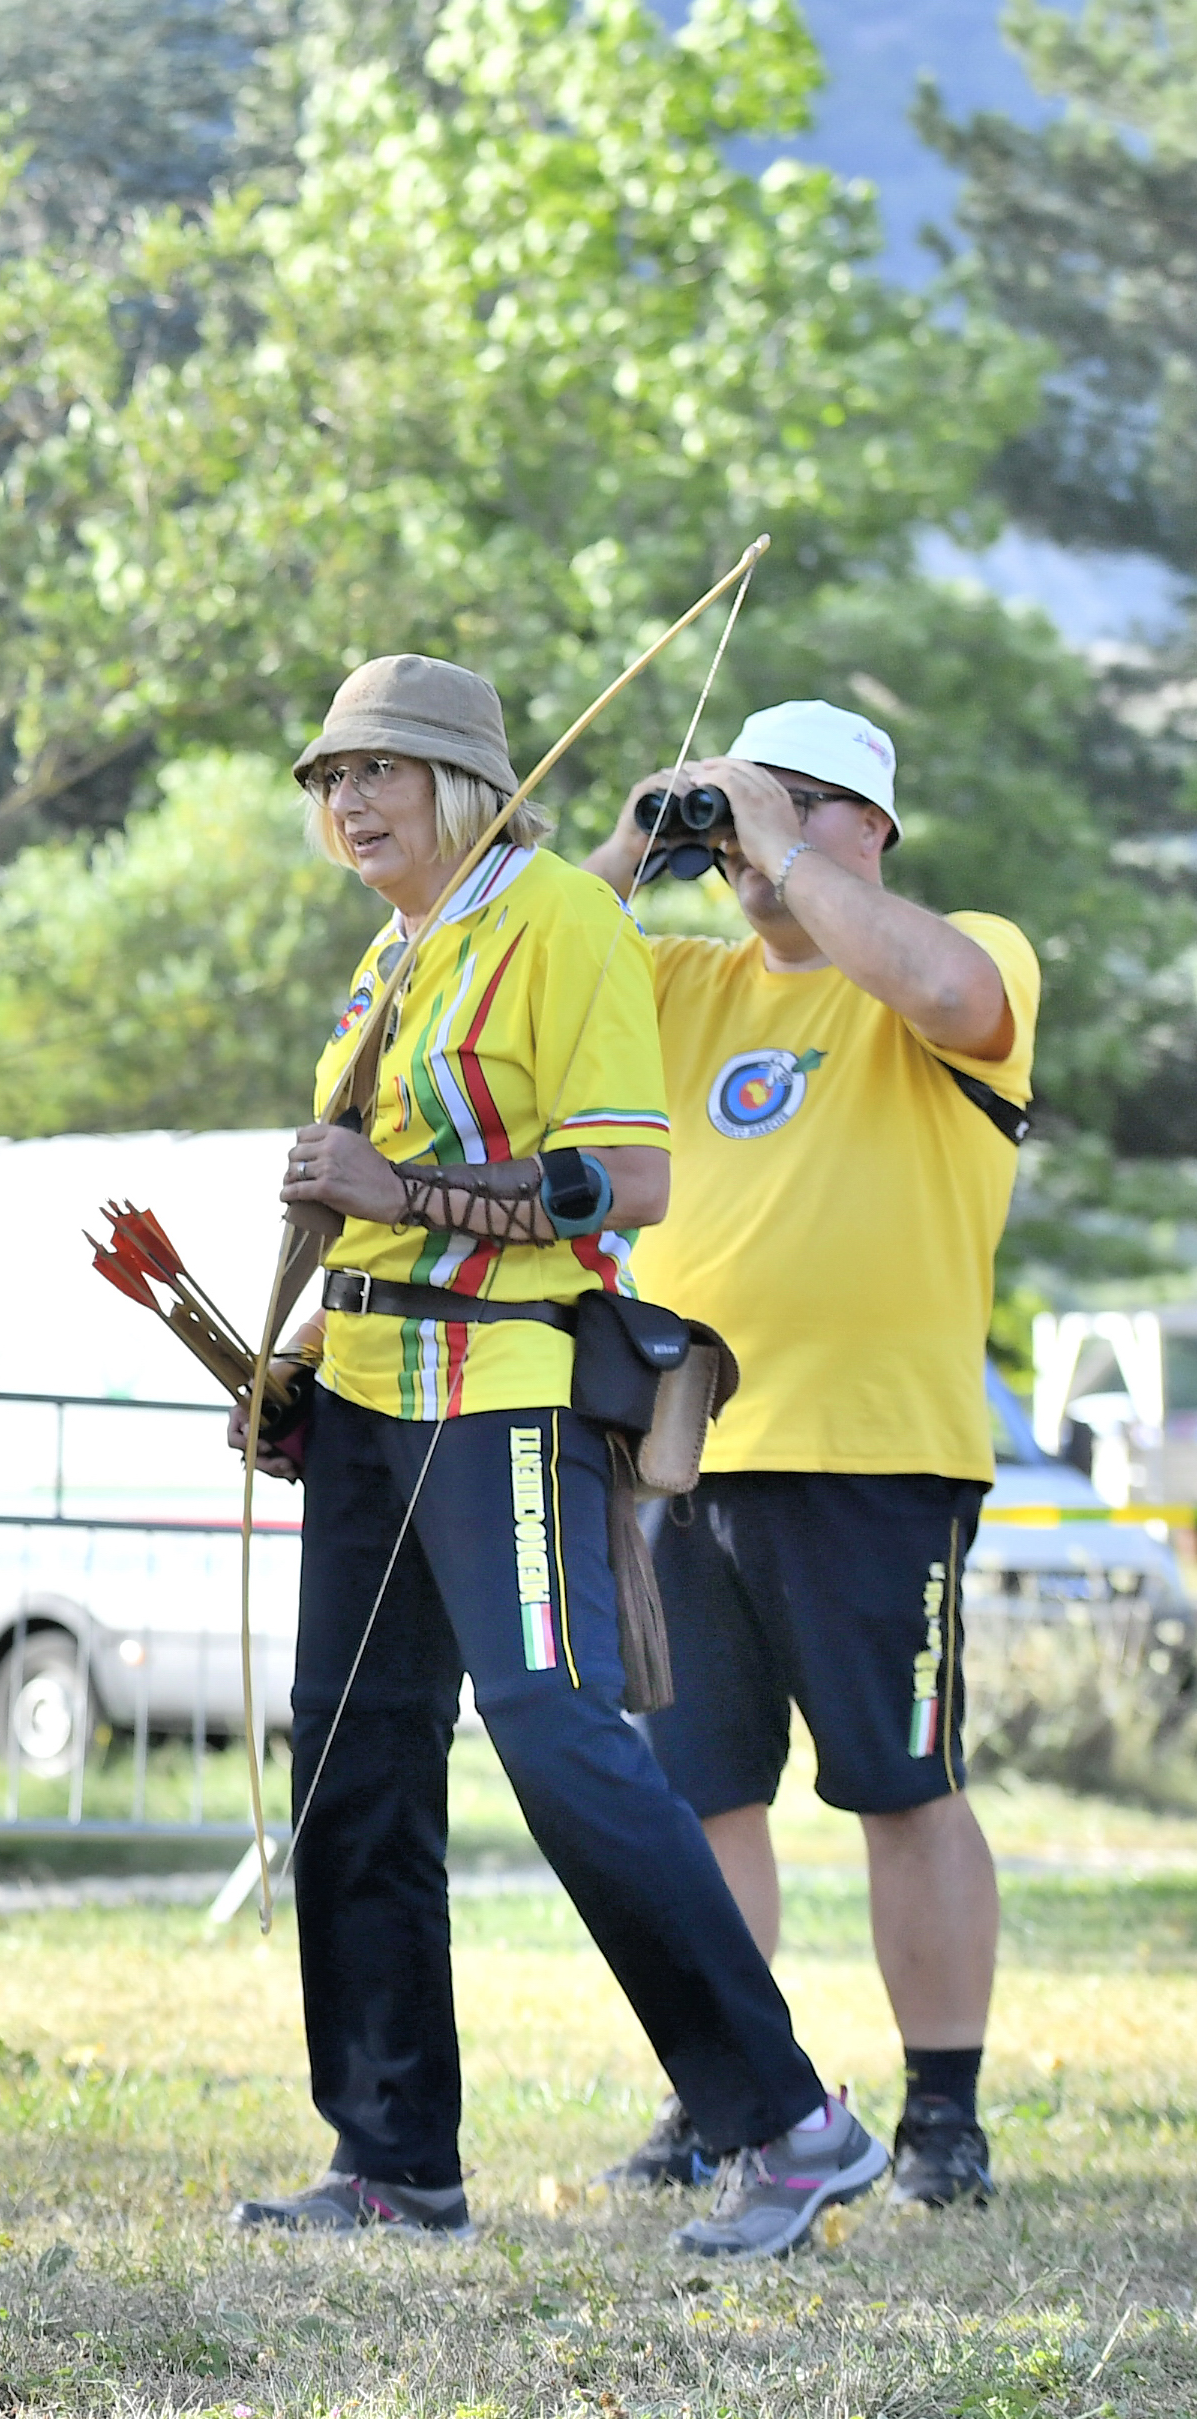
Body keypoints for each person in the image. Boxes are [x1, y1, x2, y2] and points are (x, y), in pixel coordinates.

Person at [230, 654, 886, 2259]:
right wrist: (299, 1362)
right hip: (376, 1392)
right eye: (330, 779)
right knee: (353, 1757)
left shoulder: (561, 924)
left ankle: (790, 2125)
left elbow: (620, 1187)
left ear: (466, 784)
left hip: (506, 1391)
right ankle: (394, 2162)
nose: (351, 801)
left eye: (384, 770)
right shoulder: (399, 951)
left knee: (556, 1733)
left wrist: (399, 1197)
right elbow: (366, 1195)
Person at [580, 701, 1037, 2208]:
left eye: (804, 803)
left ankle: (944, 2116)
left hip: (875, 1456)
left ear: (873, 829)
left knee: (901, 1785)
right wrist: (641, 838)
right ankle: (735, 2095)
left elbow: (952, 994)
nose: (761, 829)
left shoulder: (960, 952)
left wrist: (773, 835)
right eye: (745, 802)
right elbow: (523, 984)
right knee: (700, 1797)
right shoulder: (683, 981)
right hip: (686, 1451)